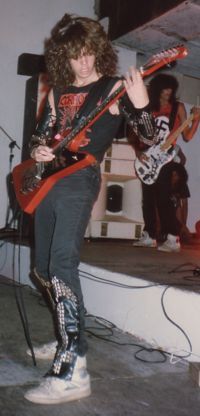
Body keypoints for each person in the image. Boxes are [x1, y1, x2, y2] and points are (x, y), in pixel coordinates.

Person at [23, 13, 156, 404]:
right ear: (66, 56)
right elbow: (39, 136)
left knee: (62, 264)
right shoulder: (57, 91)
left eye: (90, 53)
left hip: (80, 180)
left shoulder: (112, 89)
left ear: (99, 51)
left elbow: (147, 136)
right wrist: (38, 150)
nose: (85, 63)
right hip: (47, 181)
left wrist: (142, 104)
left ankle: (73, 368)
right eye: (77, 55)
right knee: (42, 269)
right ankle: (70, 332)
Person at [133, 73, 200, 252]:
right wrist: (138, 152)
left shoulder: (177, 107)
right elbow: (138, 134)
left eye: (171, 89)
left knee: (164, 198)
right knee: (147, 199)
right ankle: (150, 235)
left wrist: (196, 119)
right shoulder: (149, 107)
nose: (168, 92)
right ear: (157, 89)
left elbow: (187, 136)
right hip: (148, 157)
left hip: (166, 159)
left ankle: (172, 237)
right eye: (165, 88)